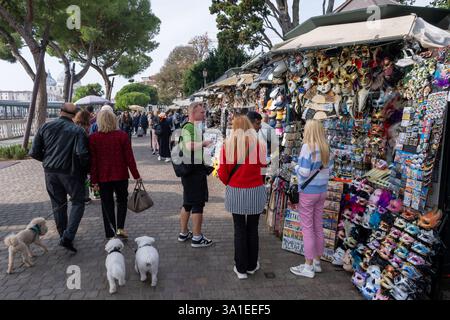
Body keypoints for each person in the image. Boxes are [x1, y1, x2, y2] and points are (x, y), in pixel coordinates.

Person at [29, 103, 89, 253]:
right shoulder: (78, 131)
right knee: (78, 202)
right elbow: (82, 154)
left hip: (50, 172)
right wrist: (87, 171)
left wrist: (49, 161)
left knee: (58, 204)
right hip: (71, 173)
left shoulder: (45, 127)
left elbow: (34, 152)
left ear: (60, 112)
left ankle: (63, 234)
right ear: (75, 115)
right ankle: (67, 237)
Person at [218, 115, 267, 279]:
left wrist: (231, 183)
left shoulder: (227, 146)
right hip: (255, 190)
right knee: (253, 229)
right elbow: (263, 170)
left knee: (239, 229)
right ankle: (252, 265)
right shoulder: (259, 145)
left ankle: (240, 269)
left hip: (236, 190)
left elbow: (222, 173)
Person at [89, 109, 142, 239]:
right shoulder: (122, 136)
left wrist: (93, 181)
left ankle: (110, 230)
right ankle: (120, 229)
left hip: (103, 177)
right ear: (114, 120)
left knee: (106, 204)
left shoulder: (93, 138)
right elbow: (129, 158)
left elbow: (93, 163)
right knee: (122, 202)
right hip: (121, 175)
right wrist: (136, 175)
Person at [290, 120, 332, 279]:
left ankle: (307, 266)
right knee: (317, 226)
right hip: (321, 191)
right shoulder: (326, 148)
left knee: (307, 228)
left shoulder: (307, 147)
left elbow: (304, 172)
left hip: (308, 192)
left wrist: (295, 166)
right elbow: (330, 170)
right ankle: (317, 262)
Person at [177, 102, 213, 248]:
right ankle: (197, 237)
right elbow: (188, 146)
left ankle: (184, 232)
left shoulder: (190, 127)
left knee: (187, 203)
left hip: (190, 171)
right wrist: (204, 143)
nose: (204, 115)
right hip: (193, 172)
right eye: (202, 112)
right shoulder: (189, 127)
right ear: (193, 113)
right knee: (197, 204)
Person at [74, 109, 93, 205]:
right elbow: (82, 151)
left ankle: (75, 195)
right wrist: (87, 166)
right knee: (84, 179)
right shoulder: (82, 130)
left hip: (72, 160)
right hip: (80, 161)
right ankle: (85, 197)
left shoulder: (73, 127)